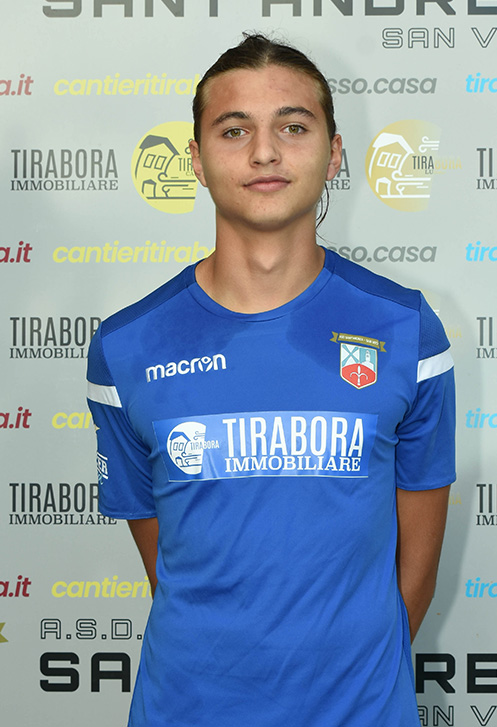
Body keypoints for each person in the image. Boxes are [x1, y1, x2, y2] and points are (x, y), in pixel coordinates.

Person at [87, 33, 455, 727]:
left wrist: (349, 680)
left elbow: (416, 569)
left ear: (334, 153)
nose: (264, 152)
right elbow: (169, 569)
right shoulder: (127, 346)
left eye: (292, 126)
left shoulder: (406, 329)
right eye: (234, 130)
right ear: (196, 160)